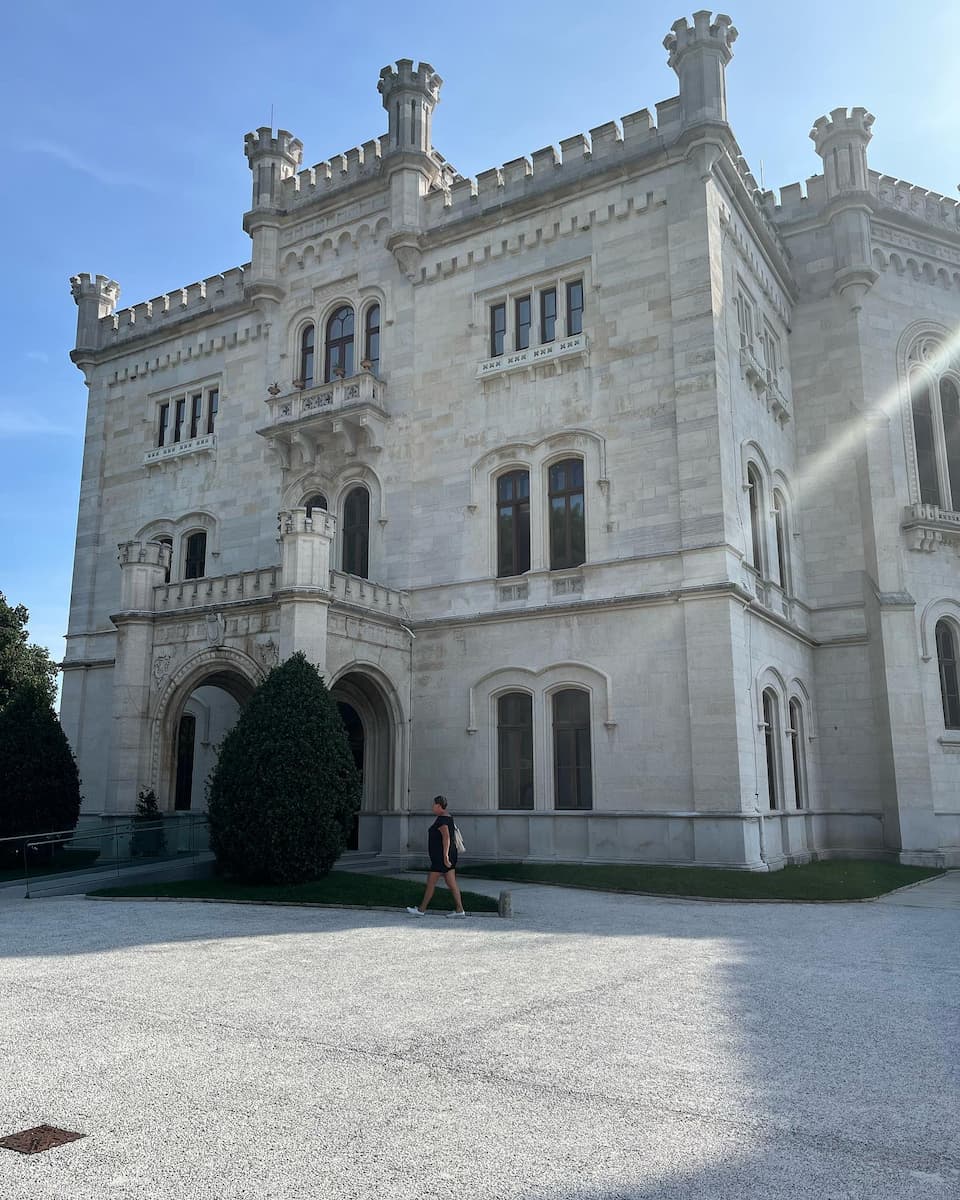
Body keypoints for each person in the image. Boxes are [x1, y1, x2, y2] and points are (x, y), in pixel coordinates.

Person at [406, 795, 466, 918]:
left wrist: (445, 856)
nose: (432, 807)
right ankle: (460, 910)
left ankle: (421, 909)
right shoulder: (447, 817)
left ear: (439, 806)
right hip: (446, 856)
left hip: (442, 858)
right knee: (451, 883)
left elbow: (447, 838)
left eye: (433, 805)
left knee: (431, 882)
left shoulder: (442, 820)